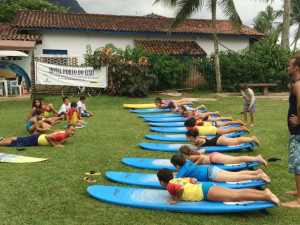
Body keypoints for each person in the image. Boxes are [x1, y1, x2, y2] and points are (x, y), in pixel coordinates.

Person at [157, 168, 280, 205]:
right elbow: (193, 180)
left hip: (205, 192)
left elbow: (181, 189)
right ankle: (265, 193)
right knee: (235, 193)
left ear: (163, 182)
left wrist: (176, 200)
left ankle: (265, 196)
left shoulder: (169, 186)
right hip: (205, 186)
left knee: (235, 196)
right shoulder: (178, 179)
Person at [170, 153, 270, 183]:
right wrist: (176, 173)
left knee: (235, 178)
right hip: (212, 169)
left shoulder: (183, 170)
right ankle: (257, 172)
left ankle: (258, 177)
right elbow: (183, 172)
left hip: (211, 175)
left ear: (177, 166)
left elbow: (177, 179)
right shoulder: (187, 162)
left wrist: (175, 175)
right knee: (235, 174)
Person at [282, 57, 300, 208]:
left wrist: (298, 120)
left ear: (296, 68)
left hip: (298, 130)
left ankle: (299, 200)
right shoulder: (297, 84)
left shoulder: (298, 85)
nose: (288, 67)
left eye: (290, 65)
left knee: (297, 163)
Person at [179, 145, 267, 166]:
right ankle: (254, 158)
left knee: (236, 160)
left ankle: (257, 158)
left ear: (184, 154)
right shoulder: (193, 153)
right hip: (214, 156)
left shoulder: (190, 157)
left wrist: (195, 164)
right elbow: (203, 150)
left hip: (214, 158)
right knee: (236, 159)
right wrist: (197, 151)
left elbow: (201, 157)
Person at [0, 125, 75, 148]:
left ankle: (2, 139)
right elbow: (48, 137)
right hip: (36, 140)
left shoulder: (63, 134)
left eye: (74, 131)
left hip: (37, 137)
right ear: (67, 129)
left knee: (20, 139)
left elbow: (57, 132)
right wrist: (55, 145)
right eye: (71, 130)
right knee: (16, 143)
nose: (73, 132)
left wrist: (64, 140)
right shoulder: (61, 135)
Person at [185, 129, 260, 149]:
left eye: (187, 137)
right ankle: (251, 139)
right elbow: (204, 137)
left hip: (218, 140)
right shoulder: (196, 138)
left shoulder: (197, 140)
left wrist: (197, 147)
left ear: (191, 137)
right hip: (217, 139)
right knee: (235, 141)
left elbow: (201, 141)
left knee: (236, 141)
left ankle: (252, 139)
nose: (186, 138)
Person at [184, 119, 250, 137]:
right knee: (226, 129)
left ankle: (242, 128)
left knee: (227, 130)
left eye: (186, 127)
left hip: (213, 128)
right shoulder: (194, 127)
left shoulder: (194, 129)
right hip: (212, 127)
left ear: (189, 127)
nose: (186, 128)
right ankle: (239, 124)